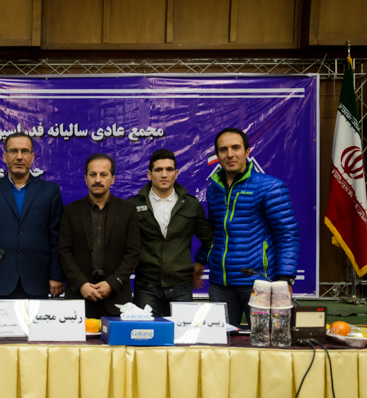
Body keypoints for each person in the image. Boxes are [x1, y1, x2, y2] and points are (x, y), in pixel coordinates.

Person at [201, 128, 299, 327]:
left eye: (236, 148)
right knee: (220, 341)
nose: (230, 154)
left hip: (259, 283)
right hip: (220, 284)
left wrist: (285, 279)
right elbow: (215, 233)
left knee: (266, 339)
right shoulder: (213, 191)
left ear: (247, 151)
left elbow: (287, 235)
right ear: (217, 155)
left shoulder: (270, 187)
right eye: (223, 150)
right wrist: (201, 261)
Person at [0, 132, 64, 299]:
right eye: (13, 151)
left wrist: (56, 275)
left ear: (32, 157)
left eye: (24, 151)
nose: (19, 157)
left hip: (38, 280)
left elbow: (56, 238)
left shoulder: (50, 191)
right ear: (4, 156)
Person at [128, 149, 213, 317]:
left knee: (182, 333)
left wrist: (200, 261)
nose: (164, 174)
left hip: (181, 287)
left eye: (169, 169)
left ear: (176, 173)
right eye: (158, 170)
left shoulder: (191, 205)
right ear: (149, 174)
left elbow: (210, 239)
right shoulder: (132, 205)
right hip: (146, 287)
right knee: (147, 333)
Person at [59, 153, 140, 317]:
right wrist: (81, 284)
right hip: (79, 297)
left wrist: (112, 283)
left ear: (113, 179)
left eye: (103, 175)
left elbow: (133, 252)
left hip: (117, 297)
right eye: (92, 174)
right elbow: (64, 251)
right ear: (85, 178)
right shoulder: (71, 211)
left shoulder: (128, 210)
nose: (97, 180)